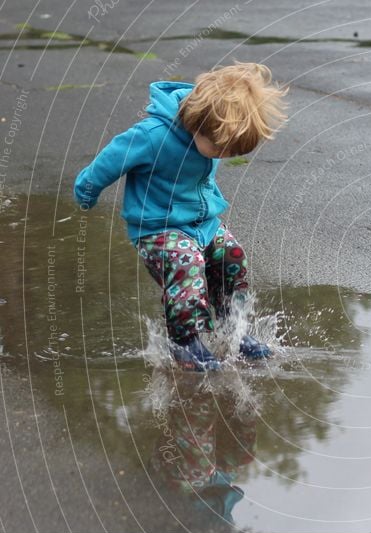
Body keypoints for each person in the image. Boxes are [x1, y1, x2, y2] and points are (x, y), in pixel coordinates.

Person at [73, 62, 289, 371]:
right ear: (199, 122)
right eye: (220, 149)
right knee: (187, 262)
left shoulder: (209, 136)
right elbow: (110, 160)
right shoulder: (152, 136)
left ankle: (235, 329)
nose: (222, 156)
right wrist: (86, 190)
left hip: (201, 224)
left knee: (232, 256)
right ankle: (184, 341)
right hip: (157, 230)